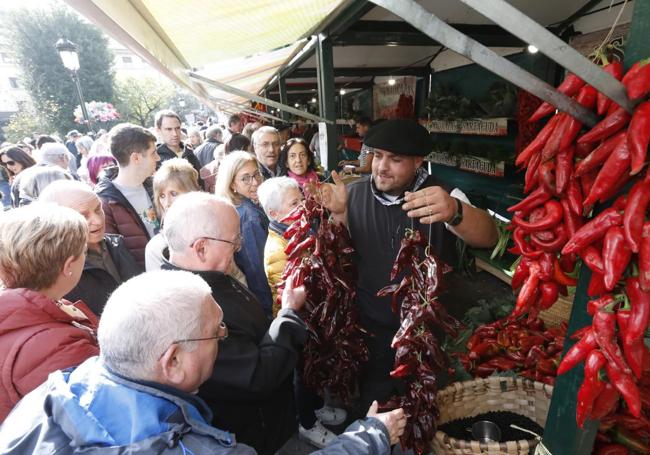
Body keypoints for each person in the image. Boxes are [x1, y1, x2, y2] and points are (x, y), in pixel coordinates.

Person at [0, 270, 406, 454]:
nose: (223, 340)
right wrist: (371, 435)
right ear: (172, 361)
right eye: (218, 333)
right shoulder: (187, 448)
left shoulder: (49, 396)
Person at [317, 119, 498, 411]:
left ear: (418, 161)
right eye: (377, 155)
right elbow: (343, 255)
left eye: (395, 159)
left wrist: (455, 213)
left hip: (425, 331)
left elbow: (488, 237)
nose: (381, 166)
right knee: (373, 399)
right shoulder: (354, 194)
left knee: (423, 403)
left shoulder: (442, 195)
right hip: (372, 324)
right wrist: (339, 215)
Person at [257, 177, 346, 447]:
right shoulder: (277, 250)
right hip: (297, 323)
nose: (303, 206)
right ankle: (307, 423)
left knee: (314, 370)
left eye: (301, 199)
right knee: (303, 375)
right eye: (295, 203)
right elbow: (296, 290)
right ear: (274, 213)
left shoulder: (296, 228)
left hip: (311, 318)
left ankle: (318, 406)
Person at [0, 203, 99, 422]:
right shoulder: (60, 348)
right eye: (83, 251)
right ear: (68, 266)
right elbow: (99, 414)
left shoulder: (23, 309)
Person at [40, 180, 142, 316]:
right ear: (55, 221)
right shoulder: (54, 272)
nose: (98, 221)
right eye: (83, 215)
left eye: (98, 209)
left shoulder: (117, 244)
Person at [215, 151, 274, 318]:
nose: (255, 182)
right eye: (245, 178)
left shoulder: (237, 207)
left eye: (256, 174)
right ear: (232, 184)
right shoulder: (249, 216)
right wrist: (270, 310)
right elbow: (257, 269)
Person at [95, 123, 160, 267]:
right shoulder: (105, 203)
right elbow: (116, 259)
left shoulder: (156, 186)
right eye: (153, 153)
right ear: (136, 158)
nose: (158, 158)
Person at [145, 158, 201, 271]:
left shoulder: (213, 226)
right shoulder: (157, 247)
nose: (167, 203)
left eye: (174, 194)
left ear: (192, 191)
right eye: (162, 196)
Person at [154, 109, 204, 187]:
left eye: (177, 128)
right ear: (158, 131)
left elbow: (201, 181)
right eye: (169, 129)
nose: (175, 134)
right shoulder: (156, 159)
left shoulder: (189, 152)